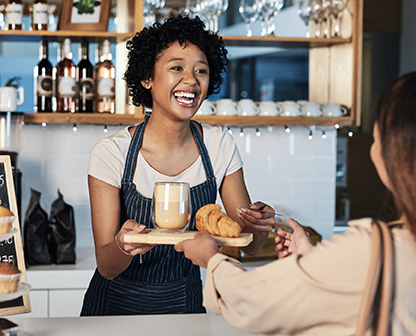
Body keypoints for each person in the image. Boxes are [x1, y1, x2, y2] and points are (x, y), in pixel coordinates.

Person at [175, 72, 416, 335]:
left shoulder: (375, 249)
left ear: (395, 153)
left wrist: (212, 259)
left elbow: (256, 301)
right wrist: (311, 261)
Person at [80, 14, 275, 316]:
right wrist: (123, 245)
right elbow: (106, 265)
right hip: (114, 312)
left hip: (186, 307)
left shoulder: (218, 145)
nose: (191, 81)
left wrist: (259, 226)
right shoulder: (112, 153)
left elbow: (246, 244)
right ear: (147, 77)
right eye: (176, 68)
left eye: (201, 71)